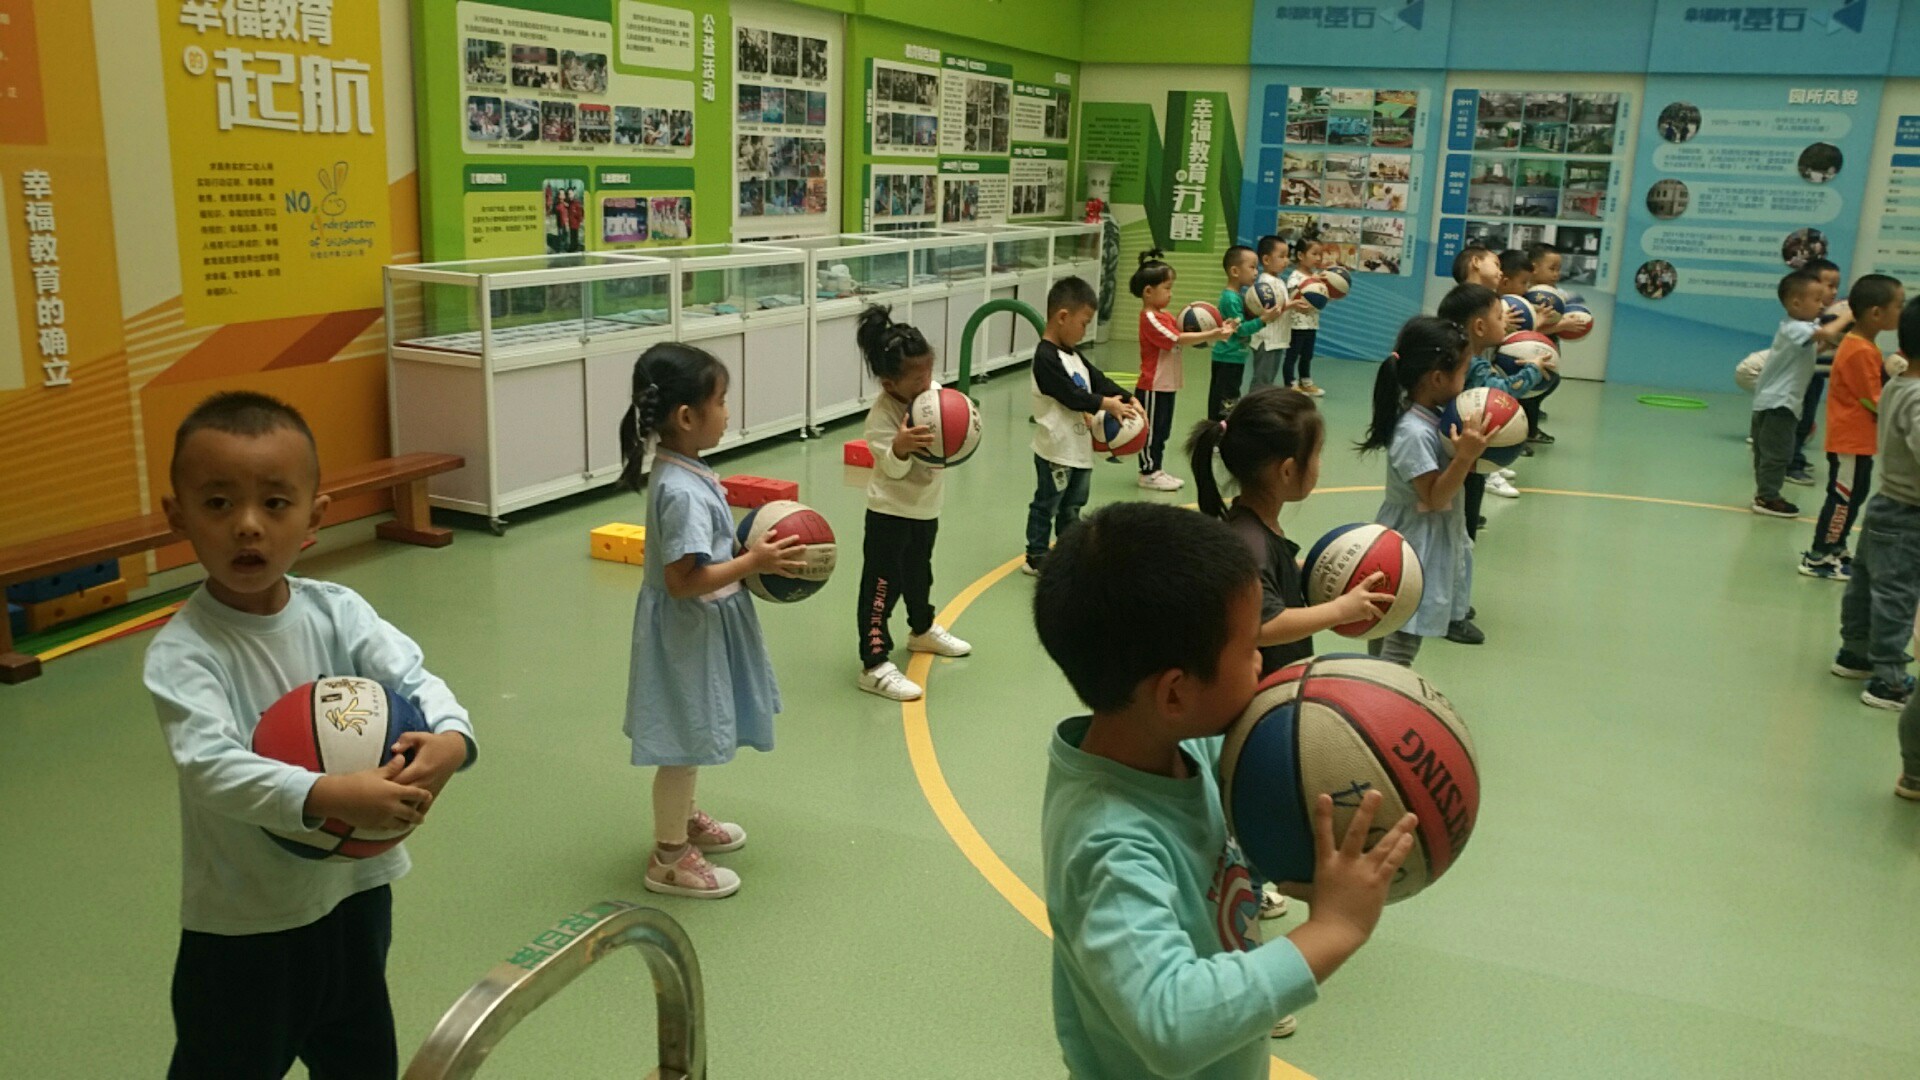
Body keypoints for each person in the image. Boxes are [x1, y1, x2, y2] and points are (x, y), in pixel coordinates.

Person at [147, 392, 477, 1077]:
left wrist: (451, 739)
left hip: (356, 894)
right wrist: (328, 793)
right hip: (247, 922)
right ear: (178, 517)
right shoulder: (185, 653)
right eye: (217, 504)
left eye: (275, 503)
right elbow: (210, 766)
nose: (247, 526)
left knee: (360, 1058)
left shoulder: (338, 611)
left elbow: (413, 678)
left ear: (314, 516)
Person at [1036, 501, 1418, 1080]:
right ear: (1174, 693)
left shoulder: (1193, 748)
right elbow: (1171, 1024)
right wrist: (1333, 929)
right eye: (1247, 651)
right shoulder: (1109, 844)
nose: (1261, 663)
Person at [618, 343, 807, 899]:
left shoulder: (686, 470)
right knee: (682, 744)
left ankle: (684, 819)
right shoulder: (680, 492)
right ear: (686, 416)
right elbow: (682, 580)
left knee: (694, 733)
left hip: (699, 627)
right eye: (721, 401)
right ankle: (669, 857)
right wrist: (754, 562)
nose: (727, 412)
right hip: (686, 632)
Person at [1188, 386, 1393, 676]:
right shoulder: (1251, 543)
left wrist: (1305, 568)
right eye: (1317, 454)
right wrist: (1342, 610)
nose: (1319, 464)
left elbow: (1264, 579)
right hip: (1262, 692)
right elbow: (1264, 624)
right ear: (1287, 471)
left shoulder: (1252, 525)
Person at [851, 306, 971, 703]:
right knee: (881, 586)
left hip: (925, 508)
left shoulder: (931, 396)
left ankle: (921, 630)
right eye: (918, 381)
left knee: (920, 575)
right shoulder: (881, 418)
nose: (928, 385)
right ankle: (873, 662)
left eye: (929, 374)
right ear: (890, 384)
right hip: (890, 512)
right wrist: (900, 448)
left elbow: (952, 432)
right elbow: (892, 468)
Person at [1358, 316, 1489, 664]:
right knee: (1403, 633)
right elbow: (1433, 497)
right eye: (1463, 373)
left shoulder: (1433, 418)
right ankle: (1384, 688)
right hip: (1415, 541)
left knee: (1390, 623)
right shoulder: (1414, 432)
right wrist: (1464, 458)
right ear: (1437, 378)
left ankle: (1376, 681)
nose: (1466, 382)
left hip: (1426, 534)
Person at [1836, 297, 1920, 711]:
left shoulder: (1899, 385)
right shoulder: (1918, 397)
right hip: (1908, 514)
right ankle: (1888, 680)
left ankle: (1855, 652)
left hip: (1886, 503)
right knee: (1896, 594)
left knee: (1867, 582)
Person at [1025, 276, 1140, 576]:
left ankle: (1068, 551)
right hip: (1055, 450)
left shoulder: (1073, 355)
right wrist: (1106, 404)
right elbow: (1071, 395)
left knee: (1073, 505)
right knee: (1047, 503)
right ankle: (1036, 555)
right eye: (1084, 323)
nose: (1085, 330)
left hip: (1078, 448)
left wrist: (1129, 398)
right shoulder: (1045, 357)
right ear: (1063, 317)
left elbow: (1098, 380)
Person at [1801, 274, 1904, 579]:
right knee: (1843, 498)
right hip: (1849, 440)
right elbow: (1873, 399)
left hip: (1860, 441)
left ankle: (1837, 547)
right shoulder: (1860, 350)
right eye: (1898, 305)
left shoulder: (1865, 346)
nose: (1902, 312)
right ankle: (1819, 555)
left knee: (1856, 494)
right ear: (1876, 313)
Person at [1439, 283, 1552, 523]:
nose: (1505, 323)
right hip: (1468, 446)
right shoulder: (1473, 363)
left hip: (1455, 443)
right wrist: (1533, 369)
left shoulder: (1458, 354)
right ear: (1480, 327)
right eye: (1500, 318)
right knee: (1468, 499)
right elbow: (1505, 391)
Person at [1752, 270, 1853, 518]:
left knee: (1767, 452)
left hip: (1770, 401)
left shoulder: (1797, 329)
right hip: (1781, 403)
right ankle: (1768, 497)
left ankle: (1766, 493)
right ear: (1796, 303)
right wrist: (1848, 314)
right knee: (1778, 454)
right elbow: (1826, 333)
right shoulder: (1796, 327)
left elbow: (1814, 348)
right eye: (1816, 300)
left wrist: (1830, 343)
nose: (1821, 305)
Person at [1133, 250, 1233, 493]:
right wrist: (1212, 334)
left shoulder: (1165, 316)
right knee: (1151, 431)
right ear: (1148, 291)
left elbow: (1183, 333)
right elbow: (1176, 339)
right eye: (1167, 288)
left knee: (1163, 430)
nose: (1171, 293)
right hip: (1153, 385)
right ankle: (1148, 472)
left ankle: (1157, 469)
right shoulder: (1149, 318)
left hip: (1167, 384)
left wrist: (1218, 328)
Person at [1789, 257, 1847, 487]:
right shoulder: (1802, 320)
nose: (1834, 291)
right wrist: (1848, 317)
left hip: (1812, 375)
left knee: (1806, 420)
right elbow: (1821, 337)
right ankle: (1790, 464)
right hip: (1798, 379)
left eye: (1836, 286)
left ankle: (1795, 457)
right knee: (1798, 421)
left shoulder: (1825, 315)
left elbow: (1818, 346)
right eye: (1829, 285)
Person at [1521, 242, 1568, 445]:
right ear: (1534, 267)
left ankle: (1531, 416)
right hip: (1530, 350)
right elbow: (1528, 329)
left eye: (1558, 269)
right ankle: (1528, 431)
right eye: (1552, 269)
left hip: (1548, 346)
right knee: (1538, 385)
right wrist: (1562, 325)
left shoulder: (1553, 293)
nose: (1556, 274)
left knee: (1547, 382)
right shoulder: (1526, 296)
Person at [1248, 235, 1305, 392]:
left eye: (1287, 256)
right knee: (1262, 381)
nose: (1286, 261)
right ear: (1266, 260)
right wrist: (1292, 304)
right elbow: (1270, 309)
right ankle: (1254, 405)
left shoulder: (1278, 280)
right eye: (1281, 256)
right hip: (1266, 340)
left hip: (1277, 339)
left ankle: (1262, 404)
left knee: (1268, 381)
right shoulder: (1265, 282)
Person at [1210, 246, 1261, 419]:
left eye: (1257, 268)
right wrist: (1264, 320)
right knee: (1225, 404)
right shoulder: (1230, 299)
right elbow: (1241, 330)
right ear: (1235, 271)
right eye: (1252, 267)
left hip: (1234, 357)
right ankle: (1217, 433)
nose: (1256, 272)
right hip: (1228, 357)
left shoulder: (1237, 296)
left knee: (1228, 400)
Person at [1283, 237, 1329, 396]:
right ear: (1301, 256)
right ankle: (1290, 383)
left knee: (1307, 355)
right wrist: (1311, 281)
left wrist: (1329, 290)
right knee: (1292, 354)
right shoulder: (1295, 276)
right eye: (1314, 254)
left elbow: (1320, 298)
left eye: (1320, 254)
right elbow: (1292, 293)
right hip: (1296, 324)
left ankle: (1305, 381)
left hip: (1312, 323)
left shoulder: (1316, 276)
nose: (1318, 258)